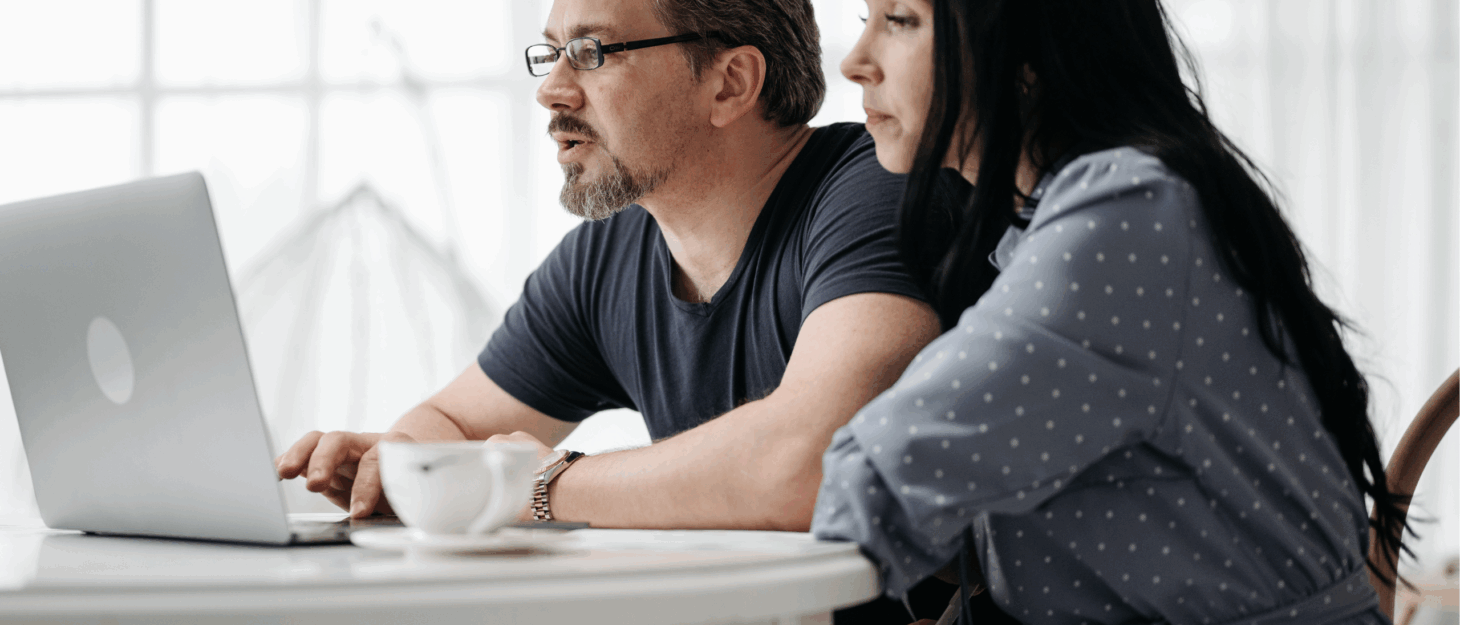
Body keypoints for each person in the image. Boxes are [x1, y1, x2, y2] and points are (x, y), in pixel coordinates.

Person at [811, 0, 1410, 623]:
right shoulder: (1074, 218)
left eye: (900, 20)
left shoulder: (1127, 215)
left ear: (1026, 58)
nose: (856, 63)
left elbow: (878, 476)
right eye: (865, 21)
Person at [274, 0, 943, 538]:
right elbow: (447, 425)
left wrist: (541, 485)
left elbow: (807, 466)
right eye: (552, 53)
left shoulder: (874, 193)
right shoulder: (606, 256)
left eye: (592, 53)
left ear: (730, 82)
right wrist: (407, 469)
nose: (552, 90)